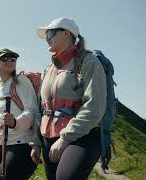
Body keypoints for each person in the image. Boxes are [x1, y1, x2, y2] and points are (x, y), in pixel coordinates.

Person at [32, 17, 107, 180]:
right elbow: (41, 110)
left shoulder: (88, 62)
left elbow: (95, 107)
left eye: (50, 33)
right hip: (47, 138)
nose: (47, 38)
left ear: (66, 33)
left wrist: (66, 138)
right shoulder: (48, 70)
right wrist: (36, 142)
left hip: (82, 136)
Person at [0, 48, 38, 180]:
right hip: (2, 144)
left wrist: (15, 122)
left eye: (13, 59)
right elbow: (1, 120)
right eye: (4, 58)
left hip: (22, 144)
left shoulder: (21, 81)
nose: (10, 61)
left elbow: (32, 111)